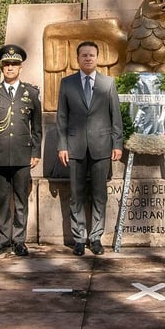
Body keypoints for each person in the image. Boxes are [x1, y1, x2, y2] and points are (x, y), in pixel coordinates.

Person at [57, 40, 123, 256]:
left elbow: (116, 117)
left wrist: (117, 144)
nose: (88, 58)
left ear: (97, 58)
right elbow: (62, 118)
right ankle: (78, 238)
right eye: (84, 55)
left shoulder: (107, 83)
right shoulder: (67, 83)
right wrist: (62, 146)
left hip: (101, 147)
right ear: (78, 59)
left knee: (99, 194)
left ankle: (95, 237)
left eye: (91, 55)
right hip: (75, 147)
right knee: (76, 194)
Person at [0, 45, 42, 257]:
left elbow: (37, 127)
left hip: (23, 156)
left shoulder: (30, 93)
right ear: (2, 67)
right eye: (6, 64)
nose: (10, 67)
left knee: (21, 200)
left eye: (14, 64)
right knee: (2, 200)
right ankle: (3, 240)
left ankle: (19, 241)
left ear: (20, 67)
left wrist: (36, 152)